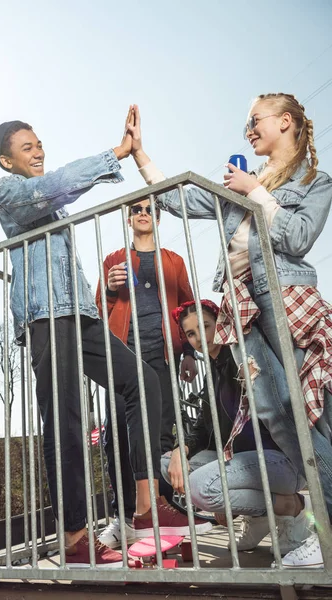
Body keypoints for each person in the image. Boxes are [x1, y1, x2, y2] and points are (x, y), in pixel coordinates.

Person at [0, 115, 210, 567]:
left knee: (142, 382)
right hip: (46, 315)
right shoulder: (9, 191)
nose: (38, 152)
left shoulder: (50, 205)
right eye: (27, 148)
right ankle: (73, 538)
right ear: (7, 160)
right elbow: (54, 186)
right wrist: (117, 154)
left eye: (40, 144)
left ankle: (146, 508)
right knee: (66, 416)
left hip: (79, 315)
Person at [127, 96, 332, 568]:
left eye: (255, 121)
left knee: (309, 418)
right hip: (245, 310)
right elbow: (180, 195)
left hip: (284, 300)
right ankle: (316, 533)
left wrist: (254, 193)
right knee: (281, 417)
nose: (248, 130)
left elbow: (299, 237)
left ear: (286, 122)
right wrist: (141, 156)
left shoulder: (312, 182)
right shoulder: (242, 186)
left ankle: (321, 529)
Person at [162, 300, 312, 555]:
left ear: (219, 323)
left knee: (200, 487)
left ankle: (291, 506)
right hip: (243, 461)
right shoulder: (213, 371)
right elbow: (202, 427)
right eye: (191, 333)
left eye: (205, 326)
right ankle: (260, 517)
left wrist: (221, 496)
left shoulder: (241, 356)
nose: (200, 337)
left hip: (281, 462)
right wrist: (180, 450)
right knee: (169, 464)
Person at [95, 197, 197, 548]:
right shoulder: (113, 260)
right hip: (123, 355)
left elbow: (187, 311)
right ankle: (124, 518)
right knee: (117, 437)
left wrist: (187, 352)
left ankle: (166, 515)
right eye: (136, 209)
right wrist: (110, 288)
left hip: (162, 355)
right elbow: (100, 310)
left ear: (157, 217)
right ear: (128, 219)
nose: (142, 213)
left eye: (149, 209)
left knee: (160, 437)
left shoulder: (174, 261)